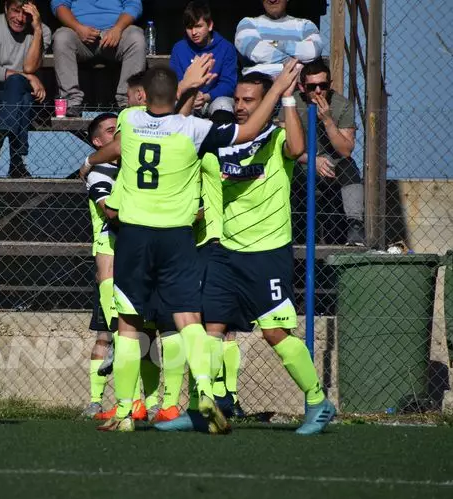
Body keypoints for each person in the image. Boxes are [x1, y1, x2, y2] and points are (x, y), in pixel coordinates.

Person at [84, 58, 303, 432]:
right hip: (177, 237)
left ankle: (123, 412)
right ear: (178, 93)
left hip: (135, 236)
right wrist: (280, 86)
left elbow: (122, 143)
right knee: (188, 320)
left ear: (143, 95)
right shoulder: (194, 130)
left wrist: (90, 159)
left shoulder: (131, 121)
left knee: (128, 325)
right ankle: (204, 391)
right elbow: (250, 130)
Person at [160, 71, 337, 434]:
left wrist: (287, 97)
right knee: (209, 328)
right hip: (224, 252)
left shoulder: (277, 137)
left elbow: (297, 150)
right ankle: (203, 407)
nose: (240, 106)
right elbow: (177, 132)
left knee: (274, 334)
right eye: (238, 99)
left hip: (267, 253)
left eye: (249, 100)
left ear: (267, 103)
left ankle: (318, 401)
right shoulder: (220, 138)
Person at [81, 112, 158, 422]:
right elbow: (109, 212)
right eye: (112, 130)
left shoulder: (138, 167)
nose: (119, 134)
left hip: (139, 258)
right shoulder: (99, 172)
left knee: (145, 335)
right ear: (98, 141)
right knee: (108, 334)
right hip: (111, 259)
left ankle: (150, 402)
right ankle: (96, 401)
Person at [287, 59, 363, 245]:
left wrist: (328, 121)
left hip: (332, 166)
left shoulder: (342, 105)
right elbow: (284, 145)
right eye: (312, 87)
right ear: (302, 87)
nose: (318, 91)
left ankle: (355, 225)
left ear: (330, 84)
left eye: (323, 85)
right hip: (301, 162)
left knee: (349, 166)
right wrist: (311, 160)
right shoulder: (292, 103)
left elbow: (345, 150)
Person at [0, 0, 51, 178]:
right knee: (21, 97)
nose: (20, 18)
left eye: (25, 13)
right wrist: (28, 77)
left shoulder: (43, 31)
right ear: (5, 7)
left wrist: (37, 30)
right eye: (15, 11)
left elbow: (30, 67)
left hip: (24, 94)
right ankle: (17, 162)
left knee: (18, 87)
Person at [51, 0, 145, 114]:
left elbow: (133, 4)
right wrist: (78, 27)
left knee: (136, 38)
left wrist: (118, 28)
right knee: (61, 38)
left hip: (116, 34)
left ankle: (128, 103)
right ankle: (72, 103)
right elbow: (59, 5)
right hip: (79, 34)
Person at [170, 1, 237, 116]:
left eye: (198, 26)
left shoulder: (226, 48)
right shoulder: (179, 48)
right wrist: (191, 96)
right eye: (189, 27)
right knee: (172, 105)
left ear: (210, 25)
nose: (193, 32)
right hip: (186, 98)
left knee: (223, 105)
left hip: (213, 99)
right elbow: (176, 81)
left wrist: (206, 96)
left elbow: (229, 83)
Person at [235, 0, 324, 77]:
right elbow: (255, 51)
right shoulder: (247, 23)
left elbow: (313, 51)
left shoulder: (306, 25)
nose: (272, 0)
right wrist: (293, 62)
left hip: (296, 85)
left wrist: (275, 43)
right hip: (258, 84)